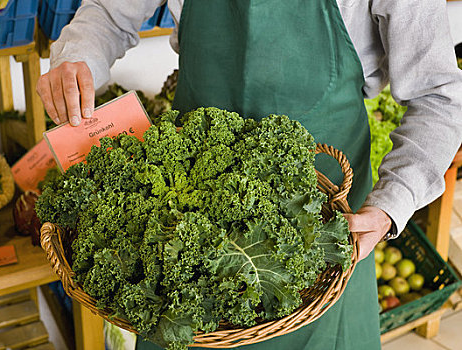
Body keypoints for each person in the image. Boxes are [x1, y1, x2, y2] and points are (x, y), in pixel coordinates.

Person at [36, 1, 462, 349]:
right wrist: (78, 58)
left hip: (314, 221)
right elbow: (108, 12)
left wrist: (392, 204)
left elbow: (439, 96)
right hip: (189, 208)